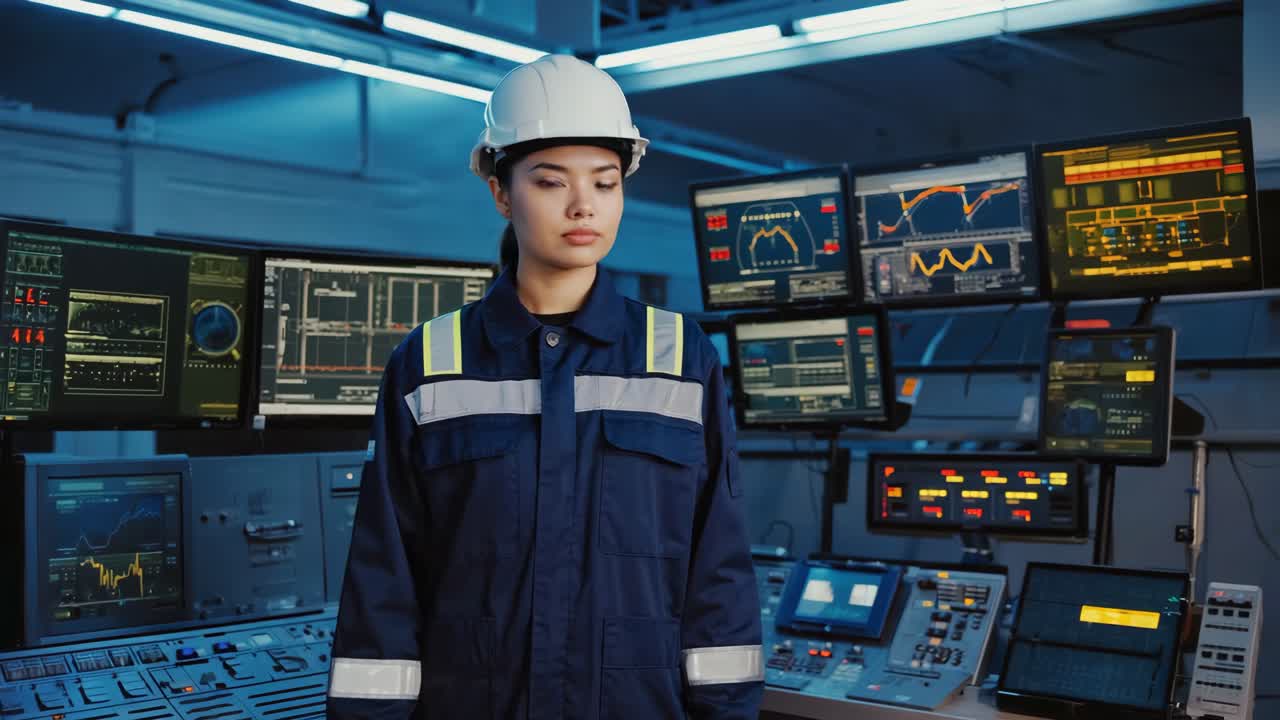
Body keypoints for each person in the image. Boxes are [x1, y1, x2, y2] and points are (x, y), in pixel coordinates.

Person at [325, 54, 763, 720]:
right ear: (501, 192)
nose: (583, 205)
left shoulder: (680, 357)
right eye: (551, 181)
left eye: (605, 182)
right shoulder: (429, 362)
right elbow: (383, 580)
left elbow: (718, 571)